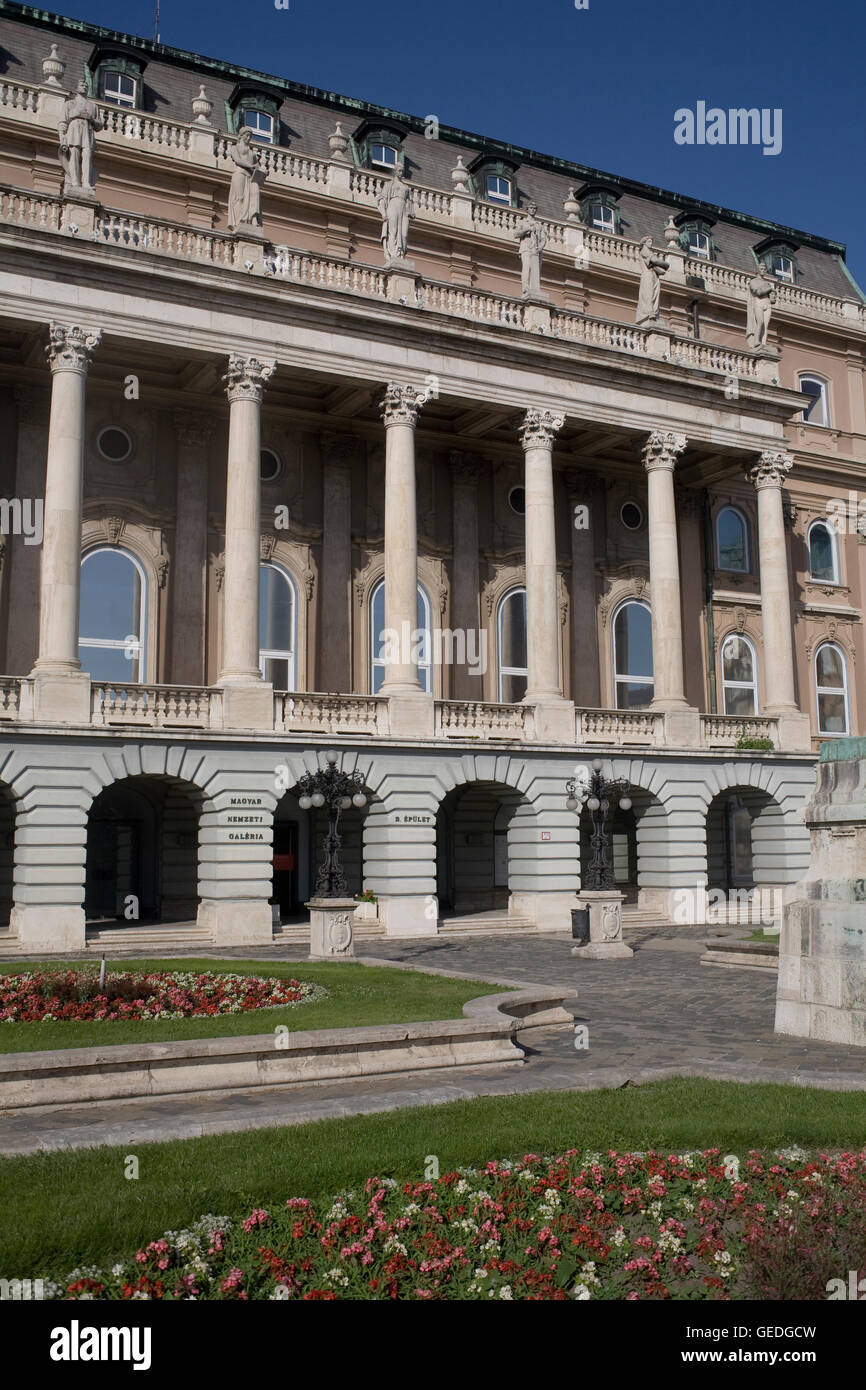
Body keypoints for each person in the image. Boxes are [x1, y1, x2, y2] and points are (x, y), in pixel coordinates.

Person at [58, 78, 102, 194]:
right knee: (74, 155)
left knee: (87, 156)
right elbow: (63, 122)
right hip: (74, 130)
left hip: (87, 131)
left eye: (86, 85)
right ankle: (75, 181)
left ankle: (86, 182)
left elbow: (99, 125)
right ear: (77, 87)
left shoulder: (93, 106)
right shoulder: (69, 104)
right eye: (82, 84)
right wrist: (62, 137)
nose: (84, 86)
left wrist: (91, 119)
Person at [228, 128, 263, 231]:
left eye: (250, 136)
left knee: (253, 196)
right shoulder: (235, 148)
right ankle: (239, 221)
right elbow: (238, 160)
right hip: (239, 174)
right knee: (239, 198)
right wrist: (250, 166)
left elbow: (257, 166)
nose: (248, 138)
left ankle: (251, 219)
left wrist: (262, 171)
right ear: (241, 135)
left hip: (250, 177)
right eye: (246, 135)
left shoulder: (252, 153)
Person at [377, 168, 412, 263]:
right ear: (395, 172)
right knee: (393, 231)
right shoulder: (389, 184)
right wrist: (383, 213)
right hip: (393, 205)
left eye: (402, 171)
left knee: (404, 234)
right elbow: (382, 198)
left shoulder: (406, 187)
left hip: (403, 209)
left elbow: (409, 202)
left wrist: (411, 211)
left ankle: (401, 254)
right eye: (399, 171)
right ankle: (393, 255)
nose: (401, 173)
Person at [515, 202, 547, 296]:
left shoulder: (539, 225)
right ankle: (525, 287)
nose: (533, 210)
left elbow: (543, 239)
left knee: (536, 270)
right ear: (527, 209)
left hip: (536, 250)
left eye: (534, 208)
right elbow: (516, 234)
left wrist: (539, 248)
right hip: (526, 247)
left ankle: (535, 288)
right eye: (531, 208)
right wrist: (526, 230)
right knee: (527, 267)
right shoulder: (522, 222)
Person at [746, 265, 776, 349]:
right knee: (760, 322)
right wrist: (769, 289)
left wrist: (773, 295)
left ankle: (763, 342)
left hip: (767, 303)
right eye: (761, 269)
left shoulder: (767, 283)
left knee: (765, 326)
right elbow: (758, 292)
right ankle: (756, 341)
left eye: (764, 269)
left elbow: (772, 298)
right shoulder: (753, 281)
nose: (763, 270)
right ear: (757, 270)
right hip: (758, 303)